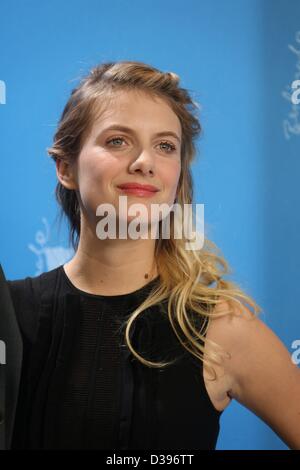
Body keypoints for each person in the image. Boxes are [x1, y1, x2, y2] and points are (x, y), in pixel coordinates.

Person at [6, 61, 300, 450]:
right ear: (66, 168)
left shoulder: (222, 330)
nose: (145, 162)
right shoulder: (7, 313)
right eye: (117, 141)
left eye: (165, 146)